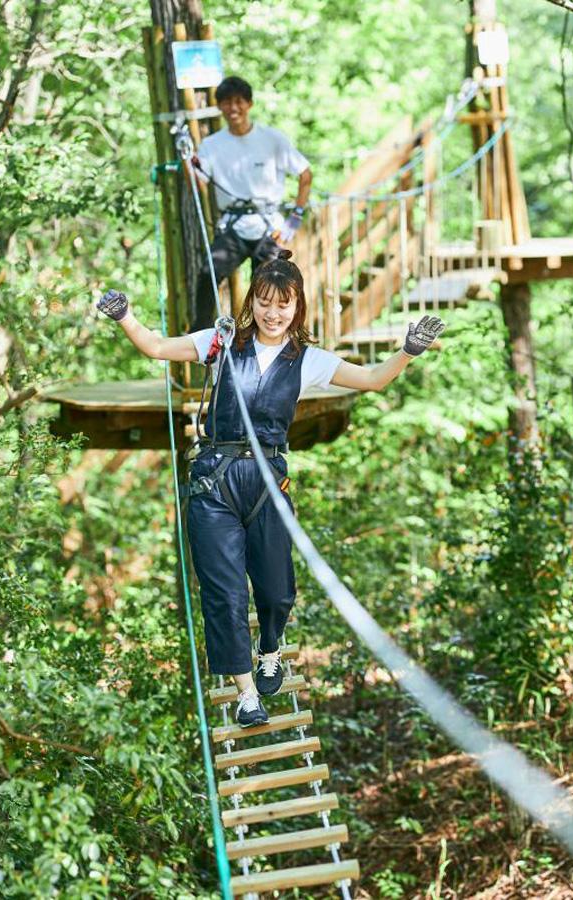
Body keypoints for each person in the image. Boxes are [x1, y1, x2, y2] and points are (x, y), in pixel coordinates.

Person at [96, 254, 445, 726]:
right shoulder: (220, 342)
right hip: (214, 481)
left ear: (296, 307)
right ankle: (246, 695)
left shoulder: (308, 361)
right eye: (264, 303)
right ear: (252, 304)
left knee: (277, 591)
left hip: (266, 481)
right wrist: (125, 316)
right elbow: (156, 347)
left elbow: (371, 380)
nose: (272, 313)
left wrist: (408, 350)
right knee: (225, 594)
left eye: (283, 304)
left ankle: (270, 648)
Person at [190, 76, 312, 328]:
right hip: (234, 226)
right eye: (226, 103)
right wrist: (186, 161)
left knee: (272, 286)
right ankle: (200, 333)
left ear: (249, 104)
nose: (233, 108)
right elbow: (199, 181)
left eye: (238, 102)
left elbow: (305, 174)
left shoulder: (272, 140)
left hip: (269, 225)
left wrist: (295, 219)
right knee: (208, 274)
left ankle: (273, 336)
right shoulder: (212, 145)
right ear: (220, 107)